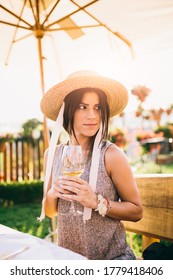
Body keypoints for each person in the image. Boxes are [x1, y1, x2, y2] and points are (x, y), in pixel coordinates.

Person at [39, 70, 143, 260]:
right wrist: (53, 193)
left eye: (97, 108)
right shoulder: (52, 155)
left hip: (113, 259)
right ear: (68, 110)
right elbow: (50, 211)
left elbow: (136, 211)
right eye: (83, 107)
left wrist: (97, 202)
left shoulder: (111, 155)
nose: (92, 116)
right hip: (71, 261)